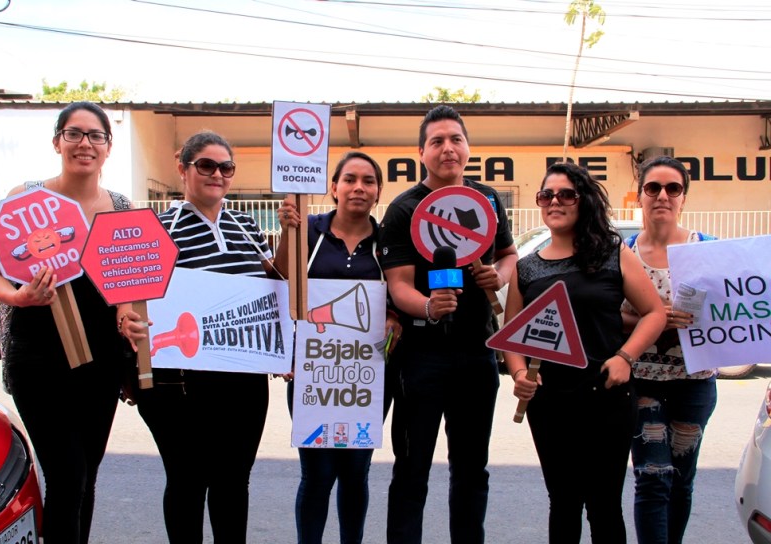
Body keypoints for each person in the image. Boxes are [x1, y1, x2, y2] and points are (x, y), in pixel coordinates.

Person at [120, 131, 280, 544]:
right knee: (188, 481)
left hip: (244, 381)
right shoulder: (156, 228)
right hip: (180, 382)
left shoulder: (246, 226)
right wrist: (127, 321)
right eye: (206, 165)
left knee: (233, 482)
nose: (217, 174)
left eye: (226, 167)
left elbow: (270, 292)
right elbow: (133, 300)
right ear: (182, 167)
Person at [0, 101, 131, 544]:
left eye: (95, 136)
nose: (85, 143)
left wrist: (130, 319)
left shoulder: (121, 209)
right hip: (37, 363)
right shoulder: (22, 199)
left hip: (101, 366)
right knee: (68, 477)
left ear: (108, 148)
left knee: (85, 479)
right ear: (57, 142)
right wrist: (21, 297)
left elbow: (130, 291)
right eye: (74, 133)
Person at [504, 162, 666, 543]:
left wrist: (626, 357)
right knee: (562, 501)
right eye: (546, 195)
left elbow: (654, 313)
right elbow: (512, 338)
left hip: (606, 395)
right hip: (550, 402)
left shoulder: (612, 253)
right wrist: (519, 374)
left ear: (583, 201)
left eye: (566, 194)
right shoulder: (526, 269)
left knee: (604, 504)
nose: (554, 201)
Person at [378, 104, 518, 544]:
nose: (447, 148)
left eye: (455, 139)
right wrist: (427, 307)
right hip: (419, 359)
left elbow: (509, 254)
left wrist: (500, 274)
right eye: (437, 141)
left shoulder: (488, 200)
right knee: (412, 468)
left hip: (478, 353)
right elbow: (397, 284)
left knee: (472, 470)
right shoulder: (403, 210)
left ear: (468, 148)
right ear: (422, 152)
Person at [275, 151, 402, 544]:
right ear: (333, 188)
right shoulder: (308, 230)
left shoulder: (387, 242)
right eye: (349, 179)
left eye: (368, 181)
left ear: (378, 191)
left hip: (366, 380)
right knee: (316, 475)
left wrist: (394, 322)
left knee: (355, 473)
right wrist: (287, 233)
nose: (358, 188)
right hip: (314, 375)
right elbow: (280, 281)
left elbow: (397, 296)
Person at [621, 156, 718, 544]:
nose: (662, 195)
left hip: (694, 382)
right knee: (651, 479)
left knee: (680, 481)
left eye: (672, 188)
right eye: (653, 188)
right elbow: (607, 316)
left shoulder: (708, 250)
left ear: (683, 198)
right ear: (640, 198)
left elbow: (733, 316)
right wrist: (654, 318)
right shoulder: (622, 253)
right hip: (641, 380)